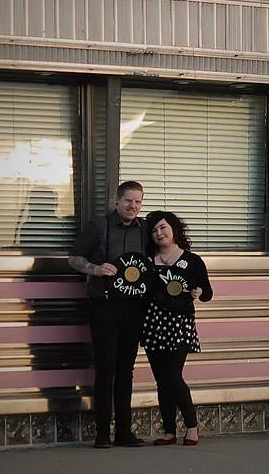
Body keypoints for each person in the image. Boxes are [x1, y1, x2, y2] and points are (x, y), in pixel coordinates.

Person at [68, 180, 149, 449]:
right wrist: (94, 269)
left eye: (138, 202)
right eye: (128, 201)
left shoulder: (145, 229)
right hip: (103, 306)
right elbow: (74, 257)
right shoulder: (98, 226)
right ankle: (102, 432)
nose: (133, 206)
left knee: (126, 370)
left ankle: (124, 431)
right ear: (117, 200)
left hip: (134, 308)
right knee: (106, 368)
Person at [142, 210, 213, 447]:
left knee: (173, 377)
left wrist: (199, 293)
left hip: (179, 324)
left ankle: (192, 427)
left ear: (174, 229)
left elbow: (208, 293)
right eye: (153, 230)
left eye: (163, 227)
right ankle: (169, 431)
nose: (159, 233)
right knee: (162, 380)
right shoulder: (146, 260)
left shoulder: (192, 260)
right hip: (153, 323)